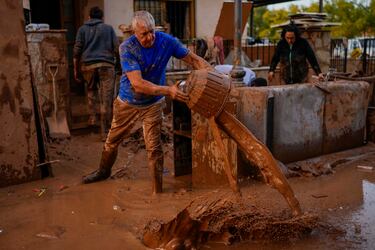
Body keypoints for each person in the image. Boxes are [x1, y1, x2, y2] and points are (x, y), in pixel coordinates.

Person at [82, 11, 211, 194]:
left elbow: (193, 60)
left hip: (153, 103)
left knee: (154, 148)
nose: (149, 37)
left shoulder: (166, 41)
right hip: (127, 101)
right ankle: (103, 171)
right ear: (135, 32)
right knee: (112, 142)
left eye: (152, 31)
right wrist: (169, 90)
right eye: (144, 34)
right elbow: (138, 85)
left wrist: (215, 76)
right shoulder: (127, 48)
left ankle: (156, 191)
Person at [73, 6, 119, 140]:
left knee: (91, 92)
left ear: (89, 17)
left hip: (88, 67)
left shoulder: (82, 29)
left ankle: (92, 117)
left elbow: (76, 52)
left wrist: (76, 70)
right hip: (106, 65)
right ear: (102, 18)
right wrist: (119, 65)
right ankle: (105, 132)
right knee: (106, 99)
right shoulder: (108, 28)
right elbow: (117, 48)